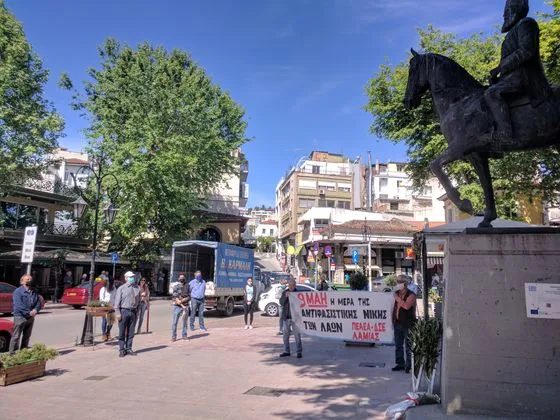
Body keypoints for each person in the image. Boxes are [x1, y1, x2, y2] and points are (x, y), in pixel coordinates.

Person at [484, 0, 552, 146]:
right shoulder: (510, 35)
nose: (504, 14)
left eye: (507, 10)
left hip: (526, 77)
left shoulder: (527, 23)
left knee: (492, 94)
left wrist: (501, 67)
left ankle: (505, 133)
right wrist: (497, 76)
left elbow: (527, 50)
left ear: (516, 8)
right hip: (513, 78)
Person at [9, 274, 41, 355]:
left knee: (27, 336)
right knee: (16, 336)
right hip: (20, 316)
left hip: (30, 317)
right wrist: (29, 312)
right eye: (27, 279)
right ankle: (13, 354)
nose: (29, 281)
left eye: (30, 279)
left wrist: (35, 310)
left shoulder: (34, 292)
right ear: (22, 281)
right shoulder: (18, 291)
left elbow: (38, 303)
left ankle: (23, 352)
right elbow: (18, 305)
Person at [392, 274, 417, 373]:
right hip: (397, 323)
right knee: (398, 345)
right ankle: (400, 364)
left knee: (408, 346)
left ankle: (409, 366)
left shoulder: (411, 295)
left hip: (408, 324)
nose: (398, 283)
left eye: (400, 282)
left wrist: (397, 298)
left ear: (405, 284)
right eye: (397, 281)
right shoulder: (396, 293)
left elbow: (406, 306)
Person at [114, 271, 140, 357]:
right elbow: (116, 303)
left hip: (133, 311)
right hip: (123, 311)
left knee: (131, 332)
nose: (132, 278)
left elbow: (138, 302)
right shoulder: (121, 288)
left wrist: (137, 313)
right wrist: (118, 313)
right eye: (130, 277)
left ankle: (129, 348)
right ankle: (122, 350)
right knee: (122, 332)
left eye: (133, 277)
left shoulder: (137, 288)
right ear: (126, 278)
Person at [279, 278, 302, 359]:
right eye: (290, 285)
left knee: (297, 335)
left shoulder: (298, 293)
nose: (291, 287)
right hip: (286, 317)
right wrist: (285, 296)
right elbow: (281, 302)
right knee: (285, 335)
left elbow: (302, 304)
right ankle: (286, 351)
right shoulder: (285, 292)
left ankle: (299, 352)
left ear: (295, 285)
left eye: (293, 285)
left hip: (295, 318)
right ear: (288, 285)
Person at [171, 273, 190, 341]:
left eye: (183, 278)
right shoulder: (176, 287)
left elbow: (189, 296)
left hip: (186, 306)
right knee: (174, 322)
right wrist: (181, 303)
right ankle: (174, 336)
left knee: (185, 322)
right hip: (177, 306)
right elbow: (175, 297)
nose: (182, 279)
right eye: (181, 277)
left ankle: (184, 335)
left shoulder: (188, 286)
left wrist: (183, 301)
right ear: (178, 278)